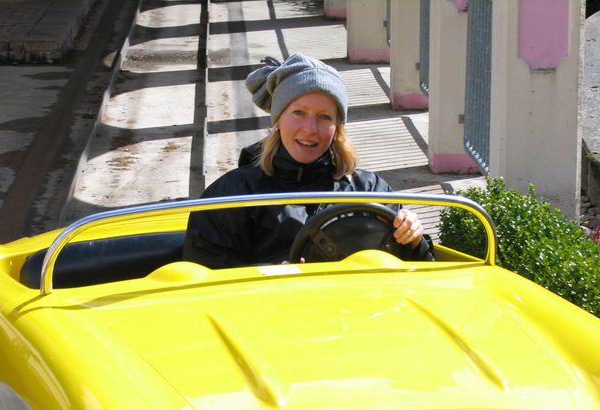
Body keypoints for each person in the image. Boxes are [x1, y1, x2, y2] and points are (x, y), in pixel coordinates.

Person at [183, 53, 427, 269]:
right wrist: (269, 272)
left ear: (337, 128)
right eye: (298, 113)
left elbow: (417, 268)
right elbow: (204, 273)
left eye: (324, 117)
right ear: (278, 119)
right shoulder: (235, 194)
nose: (310, 129)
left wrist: (413, 239)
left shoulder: (368, 189)